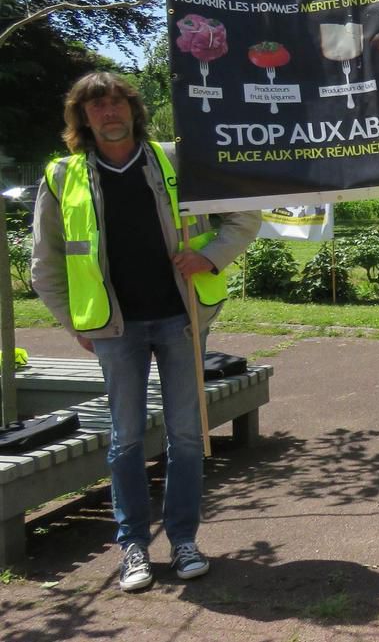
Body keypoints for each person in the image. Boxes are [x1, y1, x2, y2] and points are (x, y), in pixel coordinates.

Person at [31, 72, 259, 592]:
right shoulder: (61, 176)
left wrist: (209, 256)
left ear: (133, 110)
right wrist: (75, 323)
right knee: (125, 438)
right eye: (97, 106)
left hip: (180, 319)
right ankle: (132, 544)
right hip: (115, 330)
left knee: (184, 435)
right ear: (82, 117)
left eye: (117, 103)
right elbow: (45, 265)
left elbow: (243, 216)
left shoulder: (177, 159)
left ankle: (183, 539)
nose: (109, 113)